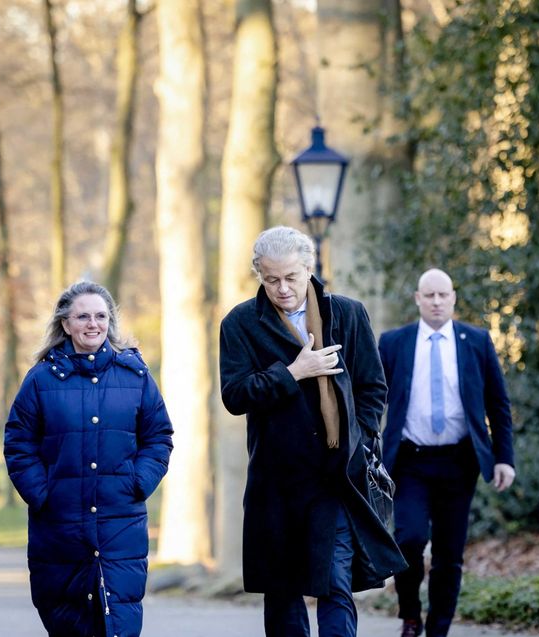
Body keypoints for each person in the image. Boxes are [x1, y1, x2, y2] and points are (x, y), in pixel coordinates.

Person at [219, 226, 406, 637]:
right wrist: (292, 373)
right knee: (283, 594)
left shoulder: (347, 313)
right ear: (259, 276)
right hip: (276, 480)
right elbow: (234, 394)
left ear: (309, 269)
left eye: (291, 277)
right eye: (271, 280)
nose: (282, 288)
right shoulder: (240, 323)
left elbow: (372, 386)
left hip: (335, 477)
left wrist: (362, 440)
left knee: (335, 585)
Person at [4, 280, 173, 637]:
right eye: (82, 316)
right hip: (60, 527)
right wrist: (43, 493)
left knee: (120, 623)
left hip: (120, 523)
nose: (92, 324)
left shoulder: (136, 376)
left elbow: (158, 437)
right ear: (66, 324)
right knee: (69, 623)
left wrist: (138, 482)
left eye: (100, 316)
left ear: (110, 321)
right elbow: (19, 444)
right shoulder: (40, 380)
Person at [377, 268, 516, 637]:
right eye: (430, 295)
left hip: (459, 462)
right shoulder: (393, 343)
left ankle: (438, 630)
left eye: (443, 295)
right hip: (410, 462)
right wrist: (369, 452)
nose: (437, 302)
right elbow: (371, 400)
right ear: (417, 299)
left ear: (453, 297)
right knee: (407, 539)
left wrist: (504, 457)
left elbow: (498, 405)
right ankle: (410, 614)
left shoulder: (477, 341)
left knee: (449, 554)